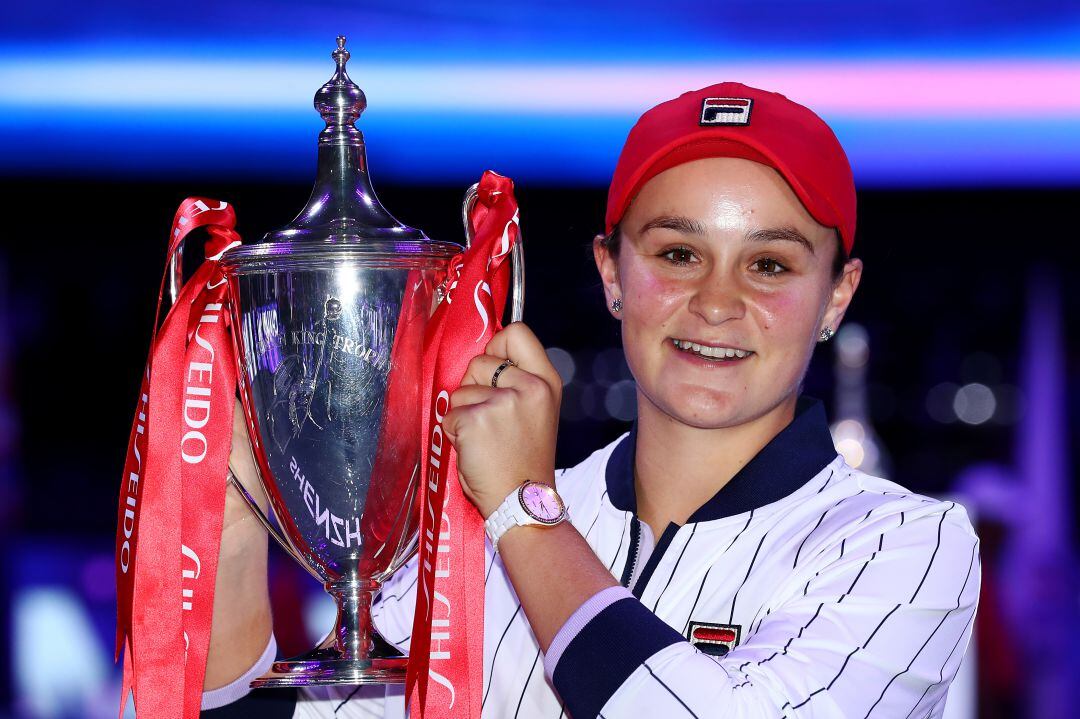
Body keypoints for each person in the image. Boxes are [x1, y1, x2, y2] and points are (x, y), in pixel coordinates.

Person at [202, 82, 981, 718]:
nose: (717, 302)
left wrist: (520, 505)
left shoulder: (905, 545)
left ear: (837, 297)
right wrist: (238, 501)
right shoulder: (469, 540)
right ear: (612, 273)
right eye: (678, 253)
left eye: (770, 265)